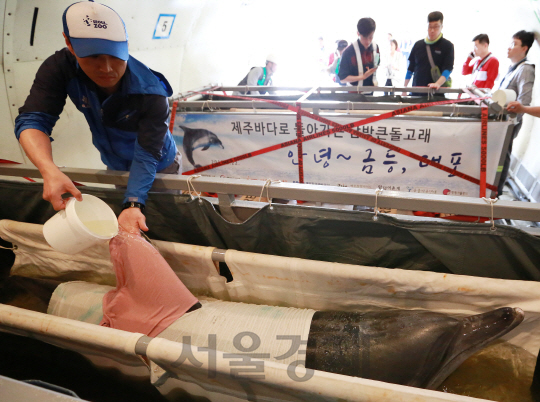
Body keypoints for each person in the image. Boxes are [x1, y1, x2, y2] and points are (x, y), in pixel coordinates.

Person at [15, 1, 178, 234]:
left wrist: (133, 202)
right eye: (94, 57)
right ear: (69, 44)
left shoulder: (151, 91)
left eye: (116, 56)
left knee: (165, 221)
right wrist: (48, 169)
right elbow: (33, 120)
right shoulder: (61, 68)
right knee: (129, 218)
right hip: (115, 165)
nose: (108, 68)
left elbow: (148, 153)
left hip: (160, 164)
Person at [496, 30, 535, 194]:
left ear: (524, 48)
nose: (509, 47)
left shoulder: (525, 69)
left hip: (509, 122)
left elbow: (523, 101)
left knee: (502, 157)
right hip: (499, 120)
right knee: (497, 155)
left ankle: (495, 193)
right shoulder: (513, 68)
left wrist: (512, 121)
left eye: (514, 44)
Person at [403, 11, 454, 94]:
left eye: (436, 27)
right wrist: (404, 89)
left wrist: (437, 84)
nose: (432, 30)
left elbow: (448, 69)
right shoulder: (418, 45)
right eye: (430, 27)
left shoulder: (448, 46)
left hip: (436, 94)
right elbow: (410, 68)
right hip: (416, 92)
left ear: (442, 27)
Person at [337, 17, 380, 88]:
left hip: (371, 92)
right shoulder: (349, 51)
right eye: (364, 38)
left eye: (370, 37)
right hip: (354, 94)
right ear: (358, 33)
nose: (368, 41)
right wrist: (363, 77)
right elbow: (342, 79)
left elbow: (376, 64)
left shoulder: (376, 48)